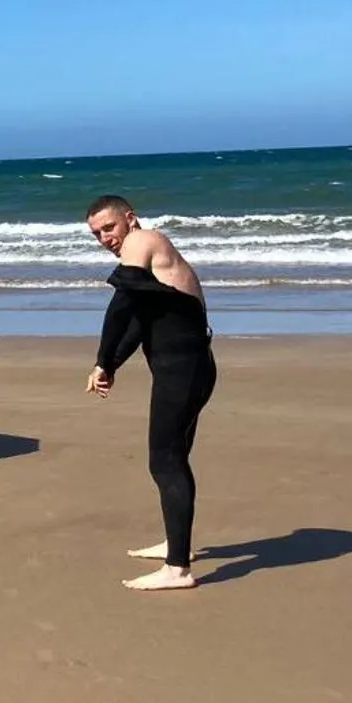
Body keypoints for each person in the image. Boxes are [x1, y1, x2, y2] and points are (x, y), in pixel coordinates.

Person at [84, 195, 217, 592]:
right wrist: (110, 365)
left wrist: (101, 359)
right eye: (96, 234)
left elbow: (120, 305)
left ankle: (177, 569)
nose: (105, 238)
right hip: (191, 369)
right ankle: (177, 546)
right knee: (174, 459)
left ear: (130, 218)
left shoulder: (142, 240)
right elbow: (140, 323)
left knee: (164, 461)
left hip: (182, 372)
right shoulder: (150, 266)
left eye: (109, 227)